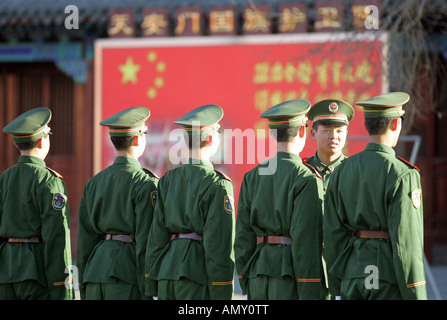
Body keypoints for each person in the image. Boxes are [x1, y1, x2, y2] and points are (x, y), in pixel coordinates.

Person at [323, 92, 427, 300]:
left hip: (352, 273)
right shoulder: (403, 174)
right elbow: (407, 243)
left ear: (367, 125)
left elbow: (333, 233)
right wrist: (416, 294)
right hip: (387, 277)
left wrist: (337, 283)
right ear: (396, 124)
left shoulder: (342, 170)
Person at [235, 99, 325, 300]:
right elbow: (305, 243)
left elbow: (242, 236)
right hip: (290, 278)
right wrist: (310, 290)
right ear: (303, 131)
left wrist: (245, 278)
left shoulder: (252, 176)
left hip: (258, 272)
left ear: (272, 134)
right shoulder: (306, 178)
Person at [145, 104, 235, 300]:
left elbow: (157, 237)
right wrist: (222, 291)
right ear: (212, 138)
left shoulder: (168, 180)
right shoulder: (217, 184)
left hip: (167, 273)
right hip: (197, 276)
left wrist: (151, 281)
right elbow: (218, 248)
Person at [77, 106, 159, 300]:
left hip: (95, 272)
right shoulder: (145, 184)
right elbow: (146, 243)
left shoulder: (94, 183)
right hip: (126, 275)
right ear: (138, 139)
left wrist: (84, 282)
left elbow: (85, 242)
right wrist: (148, 288)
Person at [0, 107, 73, 300]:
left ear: (17, 144)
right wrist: (62, 288)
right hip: (35, 273)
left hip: (5, 271)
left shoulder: (4, 178)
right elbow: (57, 237)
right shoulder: (49, 180)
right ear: (42, 141)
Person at [305, 99, 354, 190]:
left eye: (339, 131)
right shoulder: (303, 170)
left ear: (346, 133)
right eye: (327, 131)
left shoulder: (354, 170)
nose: (334, 136)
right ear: (313, 133)